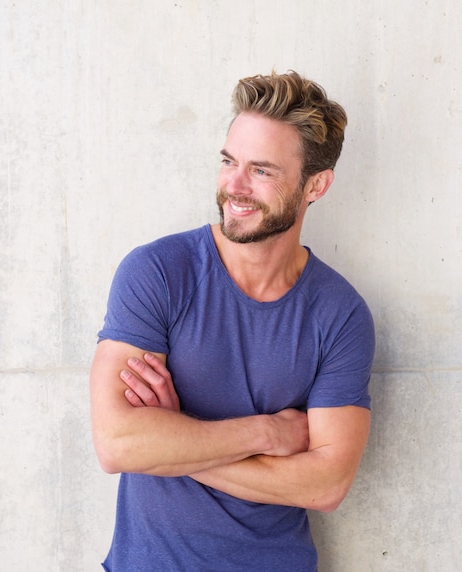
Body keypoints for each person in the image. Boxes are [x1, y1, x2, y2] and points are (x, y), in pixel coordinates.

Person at [90, 70, 375, 571]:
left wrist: (173, 440)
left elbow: (327, 485)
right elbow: (117, 444)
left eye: (262, 171)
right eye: (229, 161)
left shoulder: (340, 314)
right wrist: (267, 433)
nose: (234, 186)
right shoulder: (159, 273)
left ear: (317, 185)